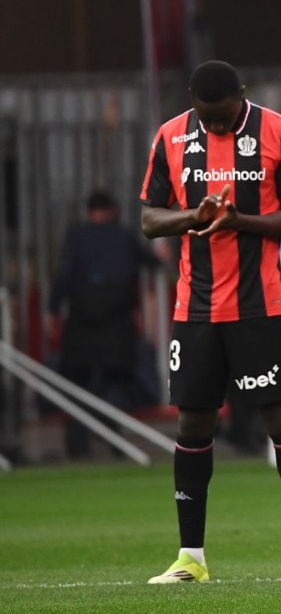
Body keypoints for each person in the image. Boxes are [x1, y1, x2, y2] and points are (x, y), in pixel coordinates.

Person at [140, 61, 281, 583]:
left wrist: (241, 221)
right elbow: (151, 218)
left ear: (241, 96)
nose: (217, 127)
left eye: (224, 118)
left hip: (259, 306)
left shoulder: (280, 132)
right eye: (208, 119)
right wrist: (191, 217)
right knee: (194, 424)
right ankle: (190, 558)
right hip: (194, 309)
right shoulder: (171, 137)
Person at [48, 191, 159, 458]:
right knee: (114, 383)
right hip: (117, 322)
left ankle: (77, 444)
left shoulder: (76, 236)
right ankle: (114, 439)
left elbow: (63, 276)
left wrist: (52, 310)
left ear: (89, 211)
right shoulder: (124, 236)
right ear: (113, 210)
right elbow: (153, 262)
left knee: (78, 385)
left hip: (81, 321)